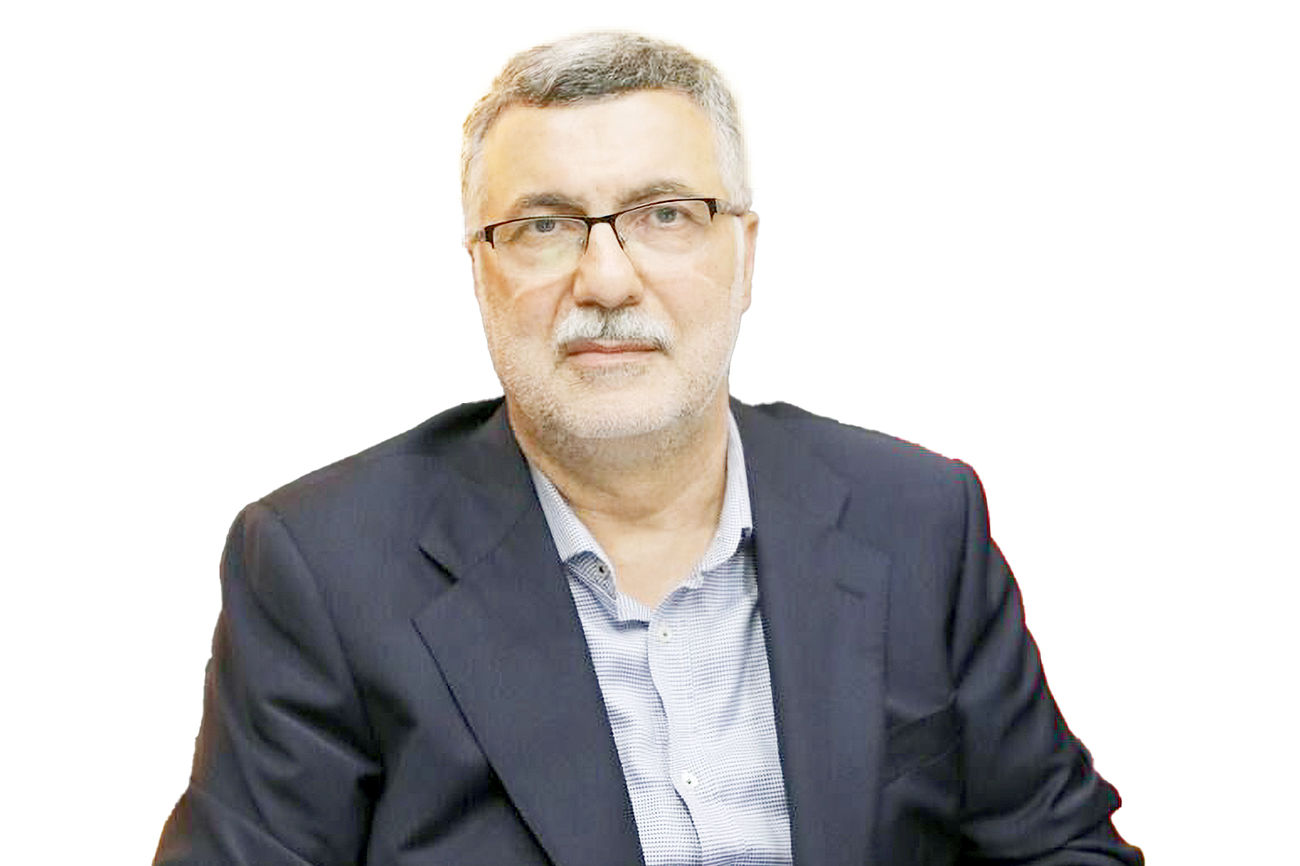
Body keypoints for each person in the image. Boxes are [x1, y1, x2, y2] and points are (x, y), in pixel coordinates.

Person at [154, 31, 1142, 866]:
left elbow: (1062, 848)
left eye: (665, 214)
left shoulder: (918, 520)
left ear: (745, 255)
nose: (606, 280)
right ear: (481, 274)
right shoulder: (323, 569)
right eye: (543, 225)